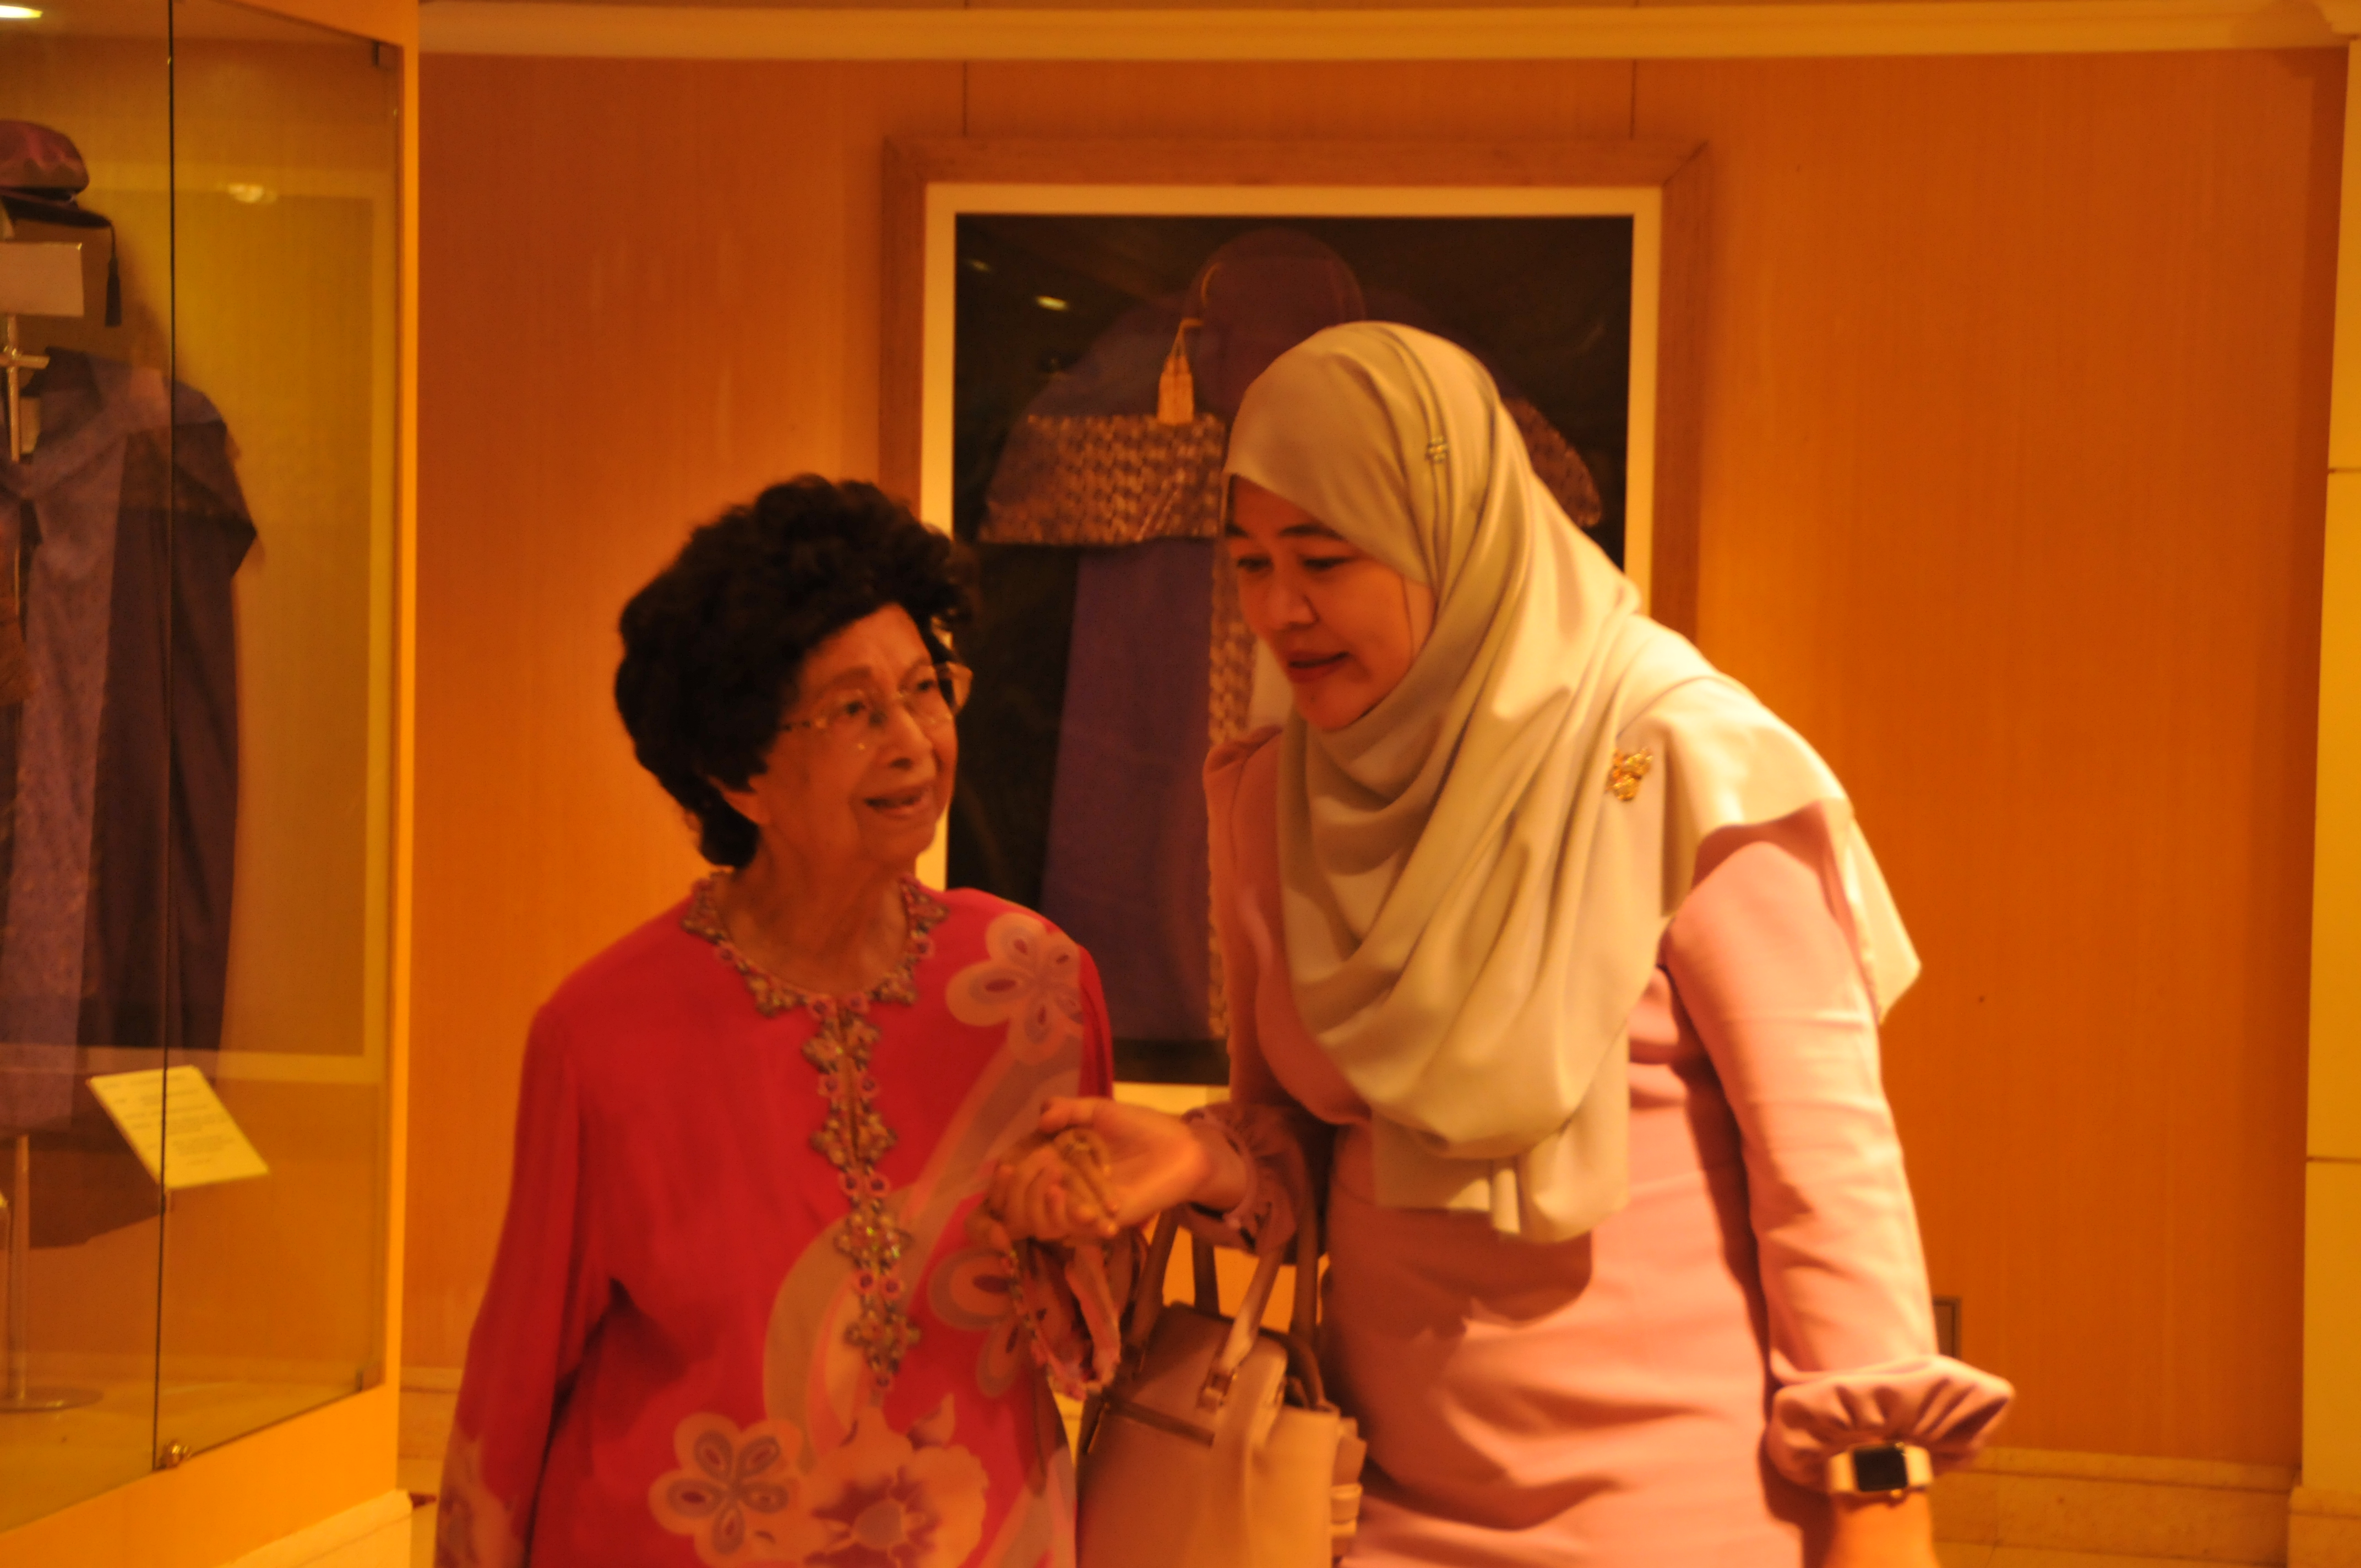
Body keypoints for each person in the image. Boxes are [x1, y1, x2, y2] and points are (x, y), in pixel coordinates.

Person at [992, 324, 2013, 1567]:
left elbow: (1827, 1176)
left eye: (1324, 558)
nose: (1277, 609)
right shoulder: (1273, 799)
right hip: (1373, 1505)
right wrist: (1196, 1160)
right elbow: (1303, 1149)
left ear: (1450, 533)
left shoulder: (1673, 762)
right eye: (1250, 561)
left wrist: (1880, 1515)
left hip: (1686, 1517)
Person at [435, 477, 1114, 1568]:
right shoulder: (602, 1035)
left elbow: (1093, 1344)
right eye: (854, 711)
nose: (912, 740)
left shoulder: (1036, 990)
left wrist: (1072, 1247)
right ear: (738, 773)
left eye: (924, 690)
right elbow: (514, 1386)